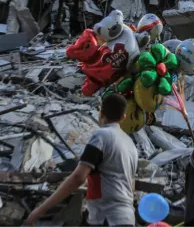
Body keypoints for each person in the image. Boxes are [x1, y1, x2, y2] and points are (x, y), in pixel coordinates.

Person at [26, 94, 139, 226]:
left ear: (100, 113)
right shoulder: (131, 145)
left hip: (107, 217)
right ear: (123, 117)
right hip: (127, 218)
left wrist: (40, 210)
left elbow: (78, 178)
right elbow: (131, 186)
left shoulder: (101, 135)